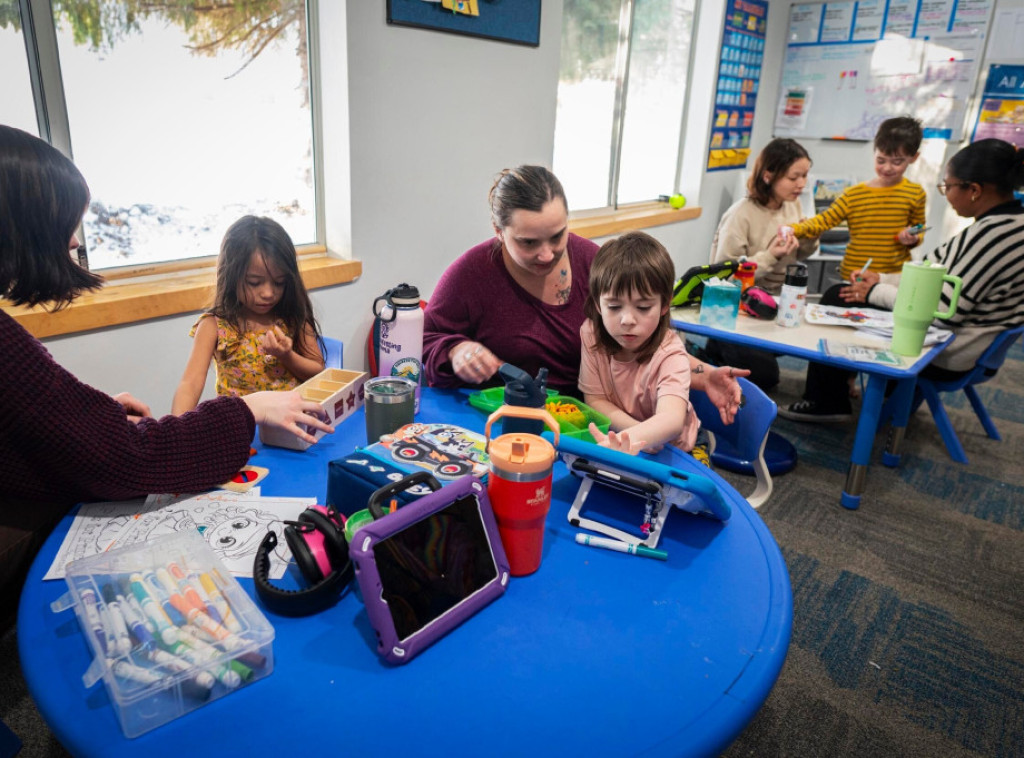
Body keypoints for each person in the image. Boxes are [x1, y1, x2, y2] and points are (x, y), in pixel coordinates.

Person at [0, 125, 333, 625]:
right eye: (65, 226)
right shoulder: (215, 324)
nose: (74, 242)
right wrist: (238, 410)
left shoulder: (292, 320)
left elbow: (40, 427)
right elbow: (131, 449)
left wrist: (90, 420)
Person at [422, 165, 747, 422]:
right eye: (528, 243)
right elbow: (424, 341)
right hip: (491, 418)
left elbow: (650, 340)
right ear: (498, 232)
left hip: (578, 422)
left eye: (557, 235)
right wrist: (456, 349)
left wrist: (702, 374)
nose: (547, 254)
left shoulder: (595, 263)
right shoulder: (471, 274)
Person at [781, 138, 1024, 422]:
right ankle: (881, 393)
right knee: (847, 293)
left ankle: (826, 401)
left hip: (953, 348)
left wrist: (873, 292)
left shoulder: (991, 235)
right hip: (976, 344)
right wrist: (882, 279)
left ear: (974, 190)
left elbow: (942, 308)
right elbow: (929, 272)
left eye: (948, 186)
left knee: (838, 297)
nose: (945, 194)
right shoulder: (1007, 224)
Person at [172, 215, 324, 414]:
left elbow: (318, 372)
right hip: (240, 431)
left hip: (290, 426)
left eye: (279, 283)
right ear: (231, 276)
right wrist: (175, 433)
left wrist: (287, 356)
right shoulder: (214, 326)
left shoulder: (292, 317)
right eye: (254, 282)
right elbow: (189, 384)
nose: (268, 293)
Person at [706, 138, 818, 390]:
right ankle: (717, 346)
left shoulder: (793, 205)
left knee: (818, 345)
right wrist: (769, 256)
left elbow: (800, 254)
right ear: (768, 175)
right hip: (740, 307)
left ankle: (725, 348)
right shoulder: (740, 214)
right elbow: (723, 280)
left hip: (779, 302)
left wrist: (810, 237)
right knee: (766, 377)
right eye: (793, 177)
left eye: (805, 176)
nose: (801, 184)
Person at [579, 232, 701, 455]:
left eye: (643, 308)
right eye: (614, 307)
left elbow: (671, 420)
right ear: (597, 304)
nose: (627, 320)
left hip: (676, 448)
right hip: (628, 439)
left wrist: (634, 439)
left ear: (665, 305)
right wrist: (635, 437)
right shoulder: (591, 333)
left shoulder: (671, 353)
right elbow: (595, 399)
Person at [791, 116, 927, 283]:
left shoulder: (915, 193)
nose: (887, 168)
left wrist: (913, 238)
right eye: (881, 160)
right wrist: (793, 229)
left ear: (914, 157)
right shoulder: (854, 194)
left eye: (897, 162)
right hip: (854, 275)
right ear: (874, 152)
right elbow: (823, 220)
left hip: (892, 278)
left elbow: (919, 229)